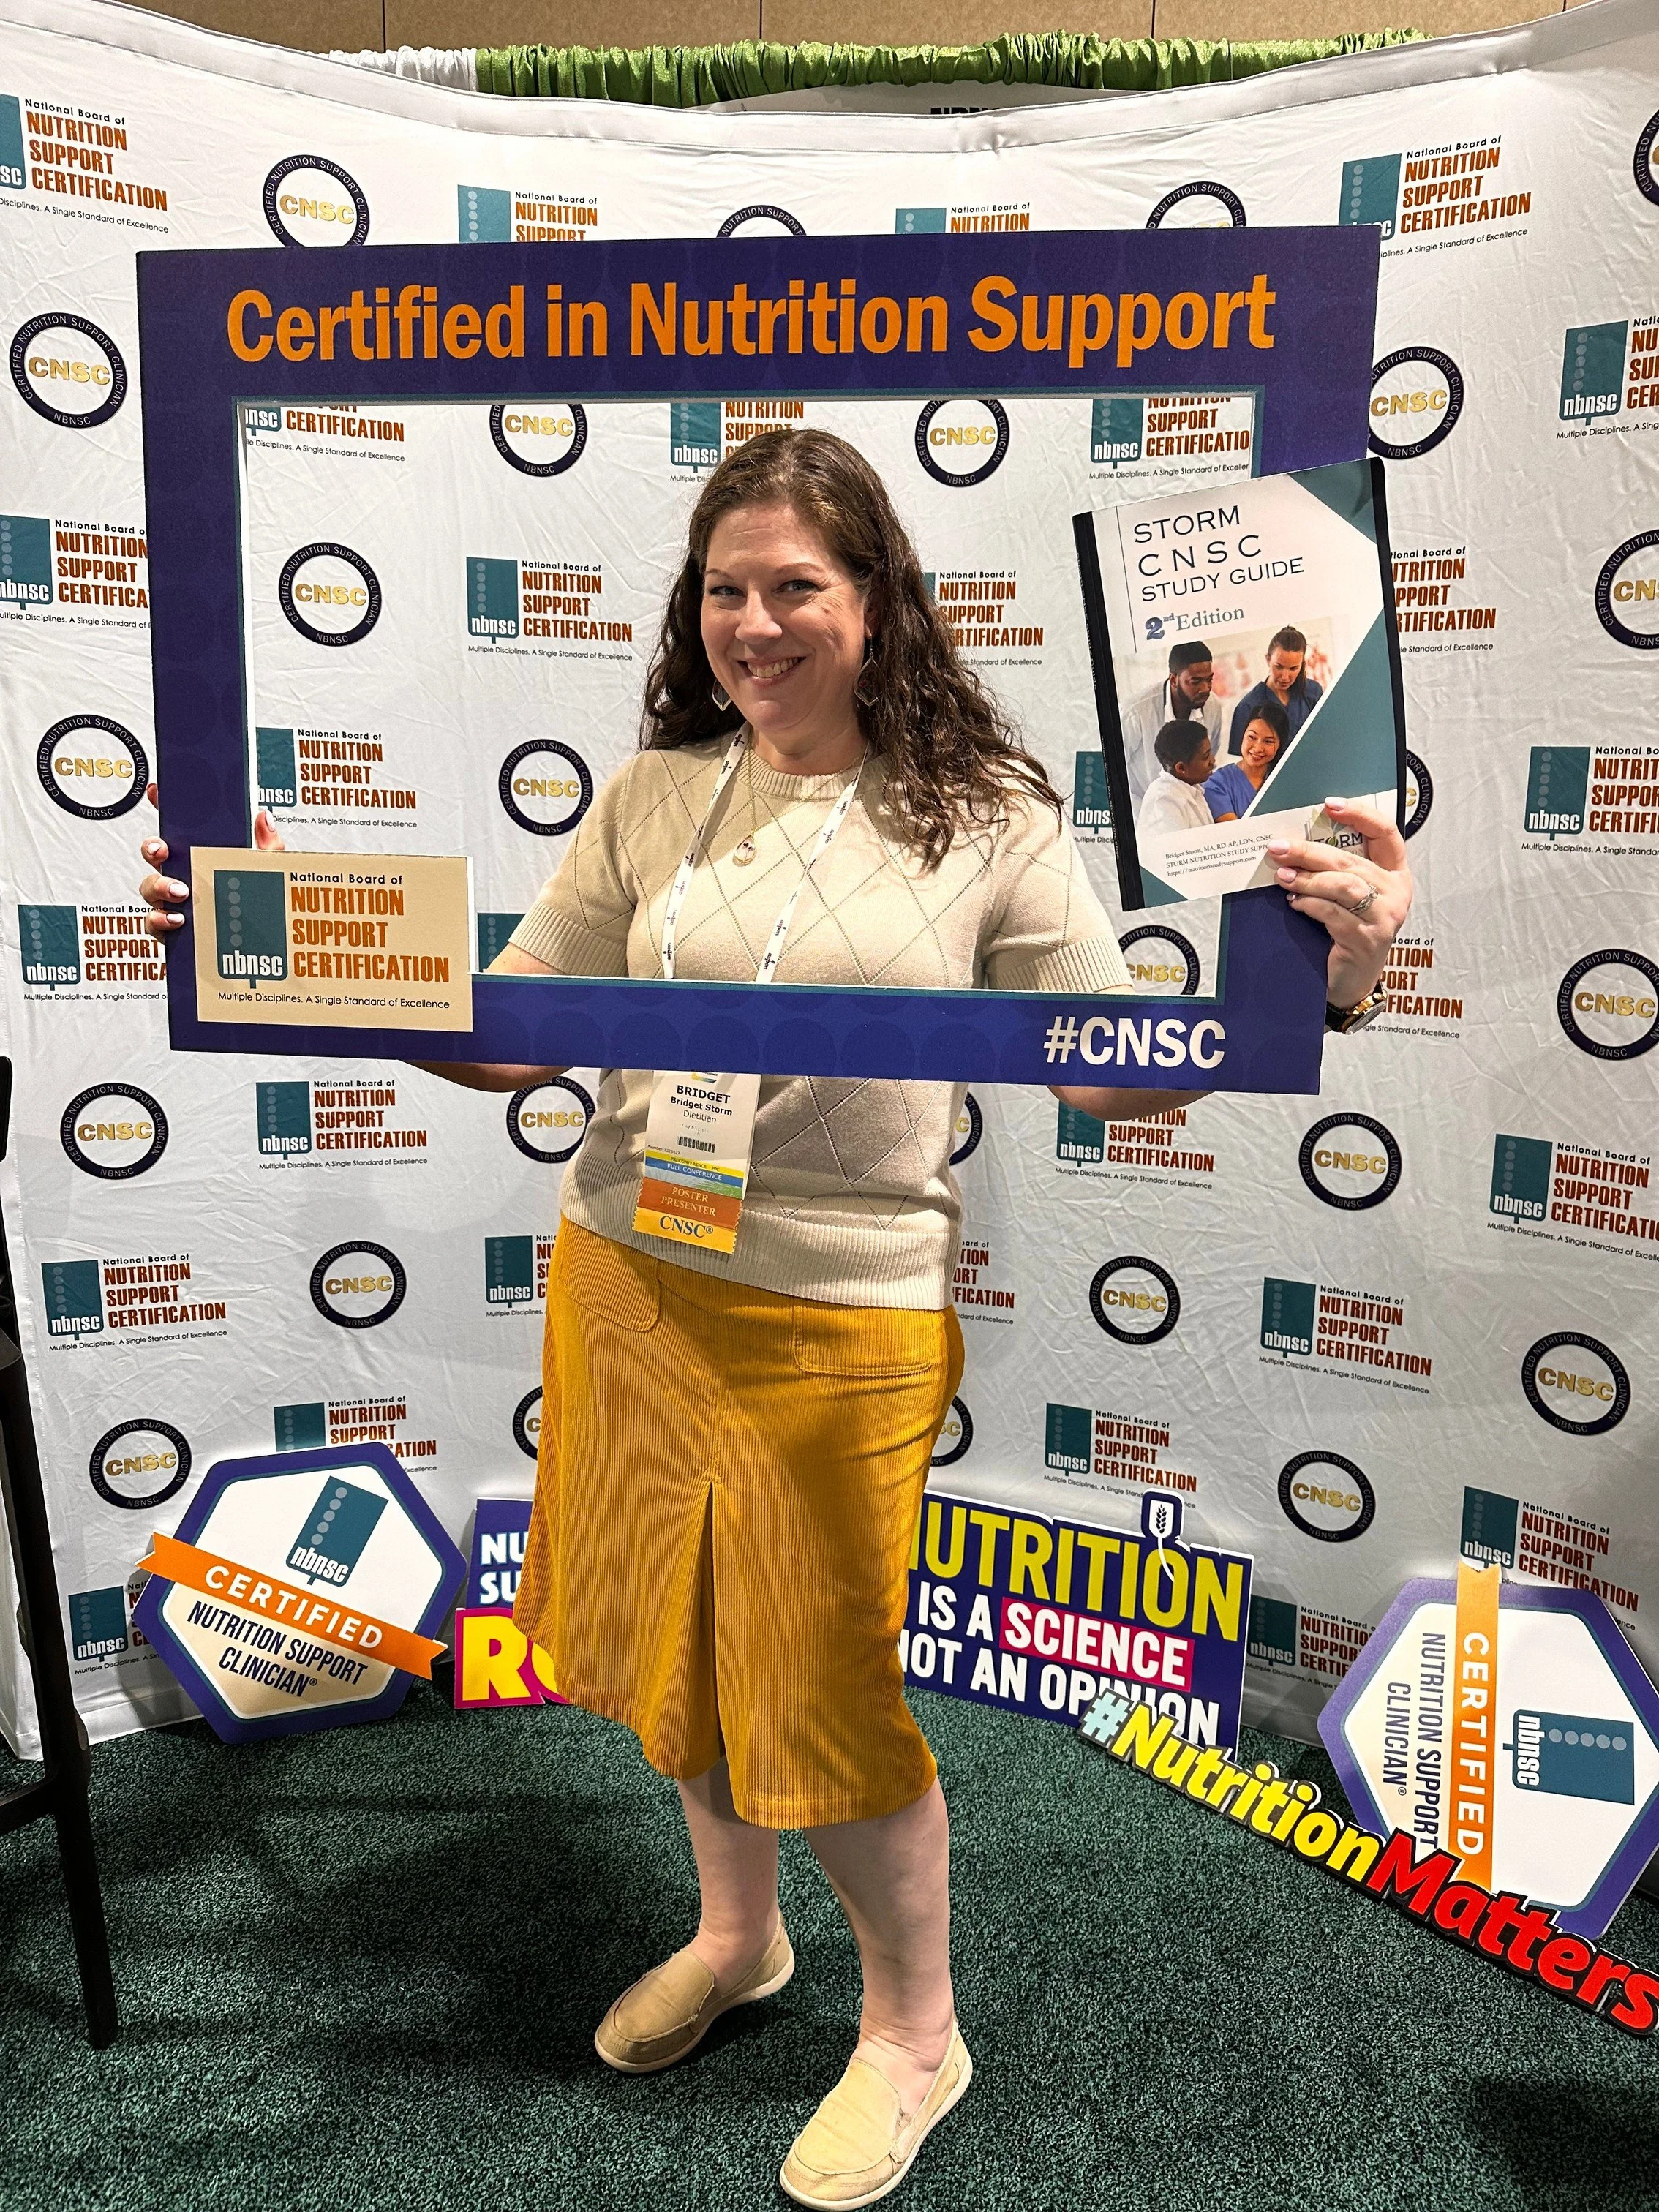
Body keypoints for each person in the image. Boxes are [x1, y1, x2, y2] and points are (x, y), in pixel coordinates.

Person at [137, 429, 1412, 2207]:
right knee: (677, 1648)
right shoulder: (657, 793)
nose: (754, 622)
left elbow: (1107, 1066)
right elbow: (517, 1030)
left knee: (825, 1691)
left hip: (842, 1319)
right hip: (633, 1282)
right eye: (726, 588)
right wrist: (298, 943)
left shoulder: (987, 815)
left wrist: (1326, 982)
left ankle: (916, 2033)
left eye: (796, 585)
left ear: (878, 602)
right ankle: (739, 1939)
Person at [1117, 639, 1222, 810]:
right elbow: (1111, 771)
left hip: (1190, 807)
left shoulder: (1213, 706)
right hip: (1142, 811)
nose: (1205, 689)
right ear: (1174, 680)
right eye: (1195, 681)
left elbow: (1208, 759)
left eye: (1209, 680)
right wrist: (1141, 814)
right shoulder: (1135, 712)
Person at [1227, 625, 1323, 756]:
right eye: (1279, 667)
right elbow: (1243, 760)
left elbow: (1325, 735)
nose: (1285, 677)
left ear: (1302, 665)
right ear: (1268, 660)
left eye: (1293, 669)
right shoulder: (1248, 706)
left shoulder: (1313, 692)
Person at [1205, 697, 1288, 820]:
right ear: (1243, 734)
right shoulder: (1217, 784)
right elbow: (1234, 830)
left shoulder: (1286, 781)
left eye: (1268, 741)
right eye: (1252, 737)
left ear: (1280, 745)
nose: (1258, 748)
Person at [1137, 720, 1216, 839]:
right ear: (1181, 768)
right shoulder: (1164, 803)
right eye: (1206, 757)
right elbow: (1175, 850)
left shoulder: (1191, 786)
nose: (1213, 760)